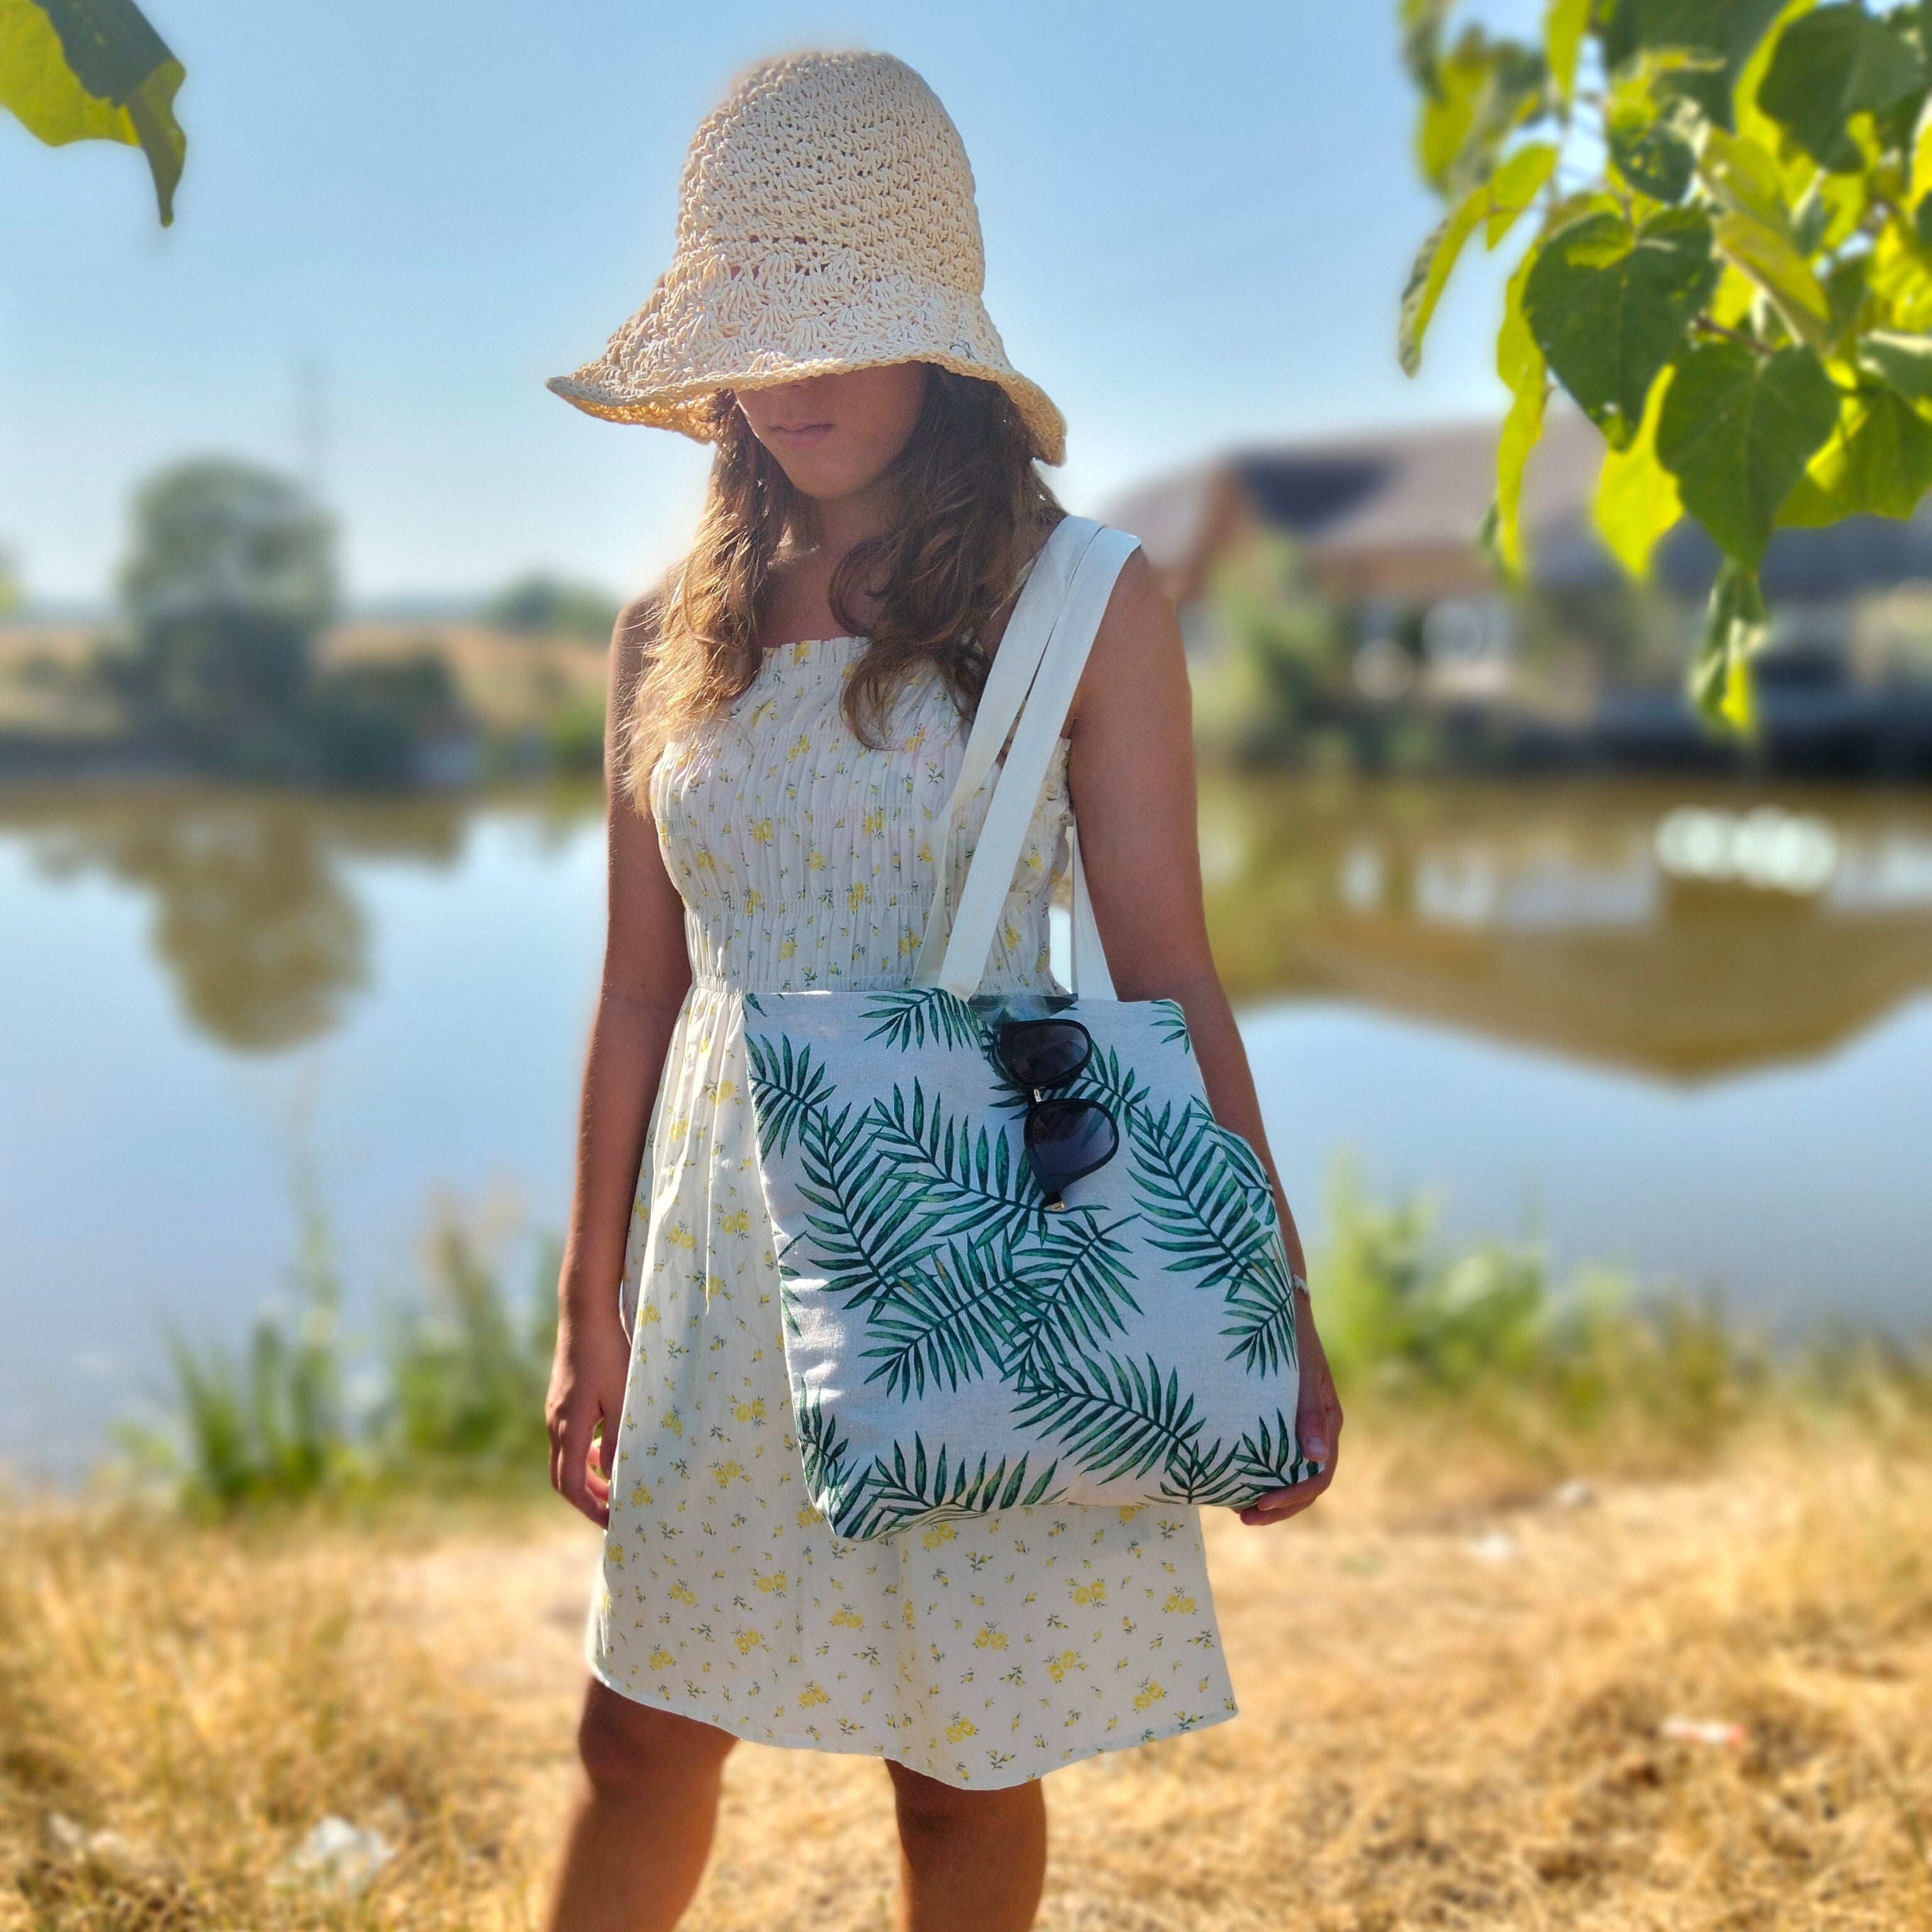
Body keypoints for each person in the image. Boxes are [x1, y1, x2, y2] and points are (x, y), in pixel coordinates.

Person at [539, 50, 1343, 1932]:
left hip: (981, 1214)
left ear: (945, 341)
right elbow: (639, 995)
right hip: (728, 1245)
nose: (797, 375)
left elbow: (1168, 972)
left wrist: (1269, 1297)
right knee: (641, 1736)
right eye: (761, 324)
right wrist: (591, 1303)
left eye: (848, 322)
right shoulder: (666, 633)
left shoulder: (1077, 601)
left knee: (958, 1774)